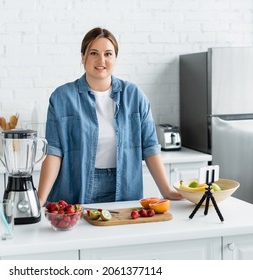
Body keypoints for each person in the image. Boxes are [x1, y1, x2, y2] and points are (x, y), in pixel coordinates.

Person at [38, 27, 183, 206]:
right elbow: (54, 152)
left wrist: (166, 190)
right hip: (75, 188)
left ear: (115, 58)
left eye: (108, 54)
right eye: (94, 53)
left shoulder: (134, 96)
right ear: (83, 57)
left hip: (124, 187)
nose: (101, 60)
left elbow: (150, 147)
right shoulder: (61, 97)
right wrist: (39, 200)